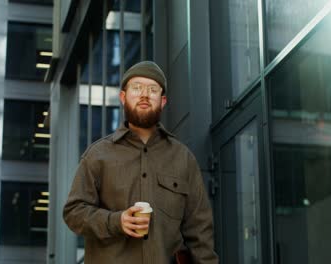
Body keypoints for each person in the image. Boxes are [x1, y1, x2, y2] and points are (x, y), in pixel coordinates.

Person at [63, 61, 218, 263]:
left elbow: (200, 233)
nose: (144, 94)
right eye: (137, 88)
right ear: (123, 97)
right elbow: (74, 212)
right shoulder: (97, 155)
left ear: (162, 101)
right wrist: (116, 222)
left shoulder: (183, 158)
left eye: (152, 89)